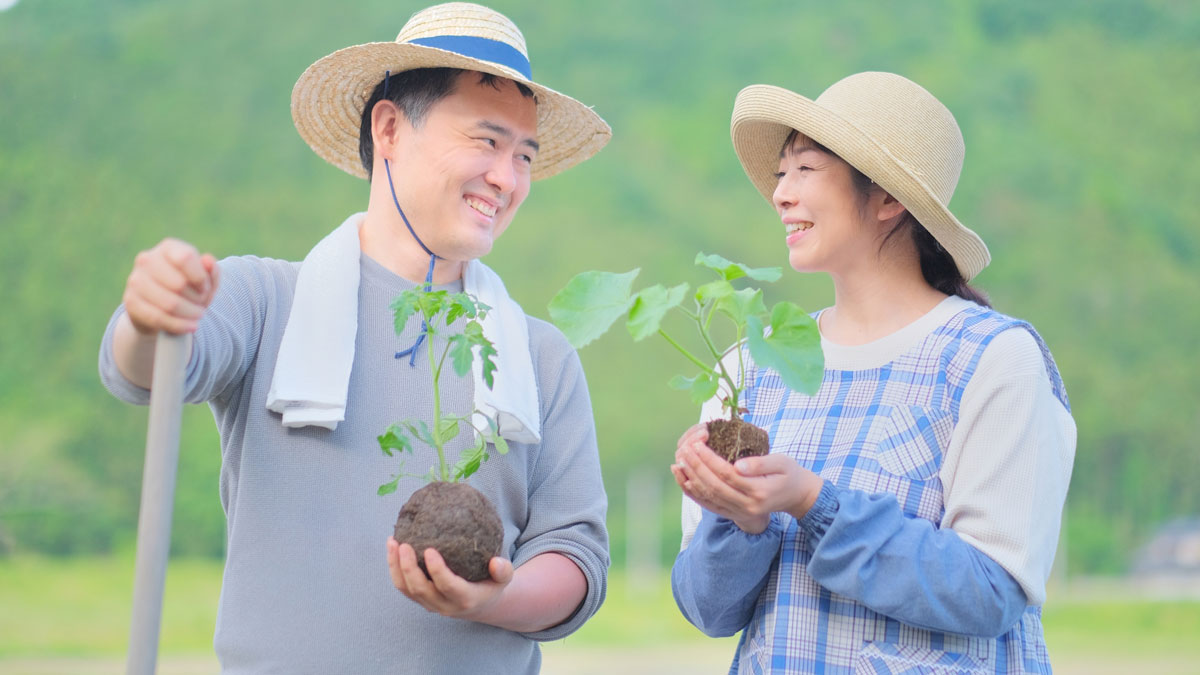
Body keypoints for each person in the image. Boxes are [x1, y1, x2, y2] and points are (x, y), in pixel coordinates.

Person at [99, 3, 611, 672]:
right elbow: (149, 368)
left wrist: (490, 598)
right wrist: (149, 312)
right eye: (486, 141)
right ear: (390, 127)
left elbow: (576, 558)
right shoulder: (264, 299)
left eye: (524, 156)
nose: (507, 178)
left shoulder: (542, 357)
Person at [670, 72, 1076, 673]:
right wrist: (743, 520)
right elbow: (709, 611)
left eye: (806, 169)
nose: (781, 193)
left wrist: (813, 502)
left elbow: (993, 591)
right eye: (782, 173)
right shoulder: (749, 366)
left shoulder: (992, 358)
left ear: (887, 199)